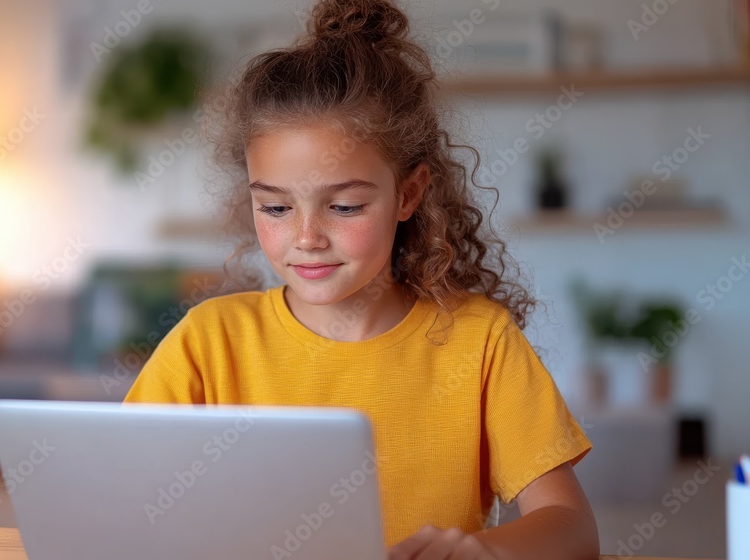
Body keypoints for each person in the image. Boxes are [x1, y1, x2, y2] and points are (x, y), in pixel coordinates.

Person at [122, 0, 599, 558]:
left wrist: (485, 552)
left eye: (344, 206)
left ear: (410, 194)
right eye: (275, 209)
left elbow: (571, 525)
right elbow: (125, 500)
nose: (306, 237)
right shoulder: (209, 341)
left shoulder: (480, 341)